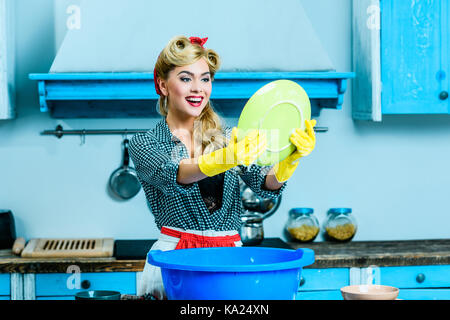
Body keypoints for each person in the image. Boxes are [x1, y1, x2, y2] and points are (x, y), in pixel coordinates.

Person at [128, 35, 317, 299]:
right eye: (186, 78)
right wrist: (228, 157)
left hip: (230, 259)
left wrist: (290, 159)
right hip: (175, 262)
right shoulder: (145, 143)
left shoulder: (228, 137)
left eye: (205, 78)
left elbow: (264, 183)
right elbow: (176, 174)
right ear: (163, 84)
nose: (198, 89)